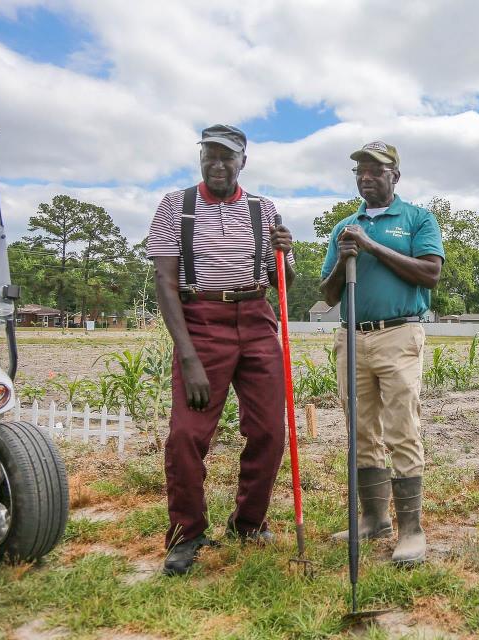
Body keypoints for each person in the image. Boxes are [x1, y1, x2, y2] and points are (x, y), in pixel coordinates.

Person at [147, 124, 295, 576]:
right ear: (201, 159)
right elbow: (165, 284)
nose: (217, 164)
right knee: (186, 436)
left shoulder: (263, 207)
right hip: (201, 323)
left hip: (255, 319)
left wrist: (284, 254)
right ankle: (187, 532)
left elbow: (280, 276)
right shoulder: (176, 206)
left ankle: (249, 522)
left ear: (242, 161)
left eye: (226, 157)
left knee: (271, 430)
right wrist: (188, 355)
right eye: (209, 155)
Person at [320, 141, 444, 566]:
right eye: (360, 171)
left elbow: (429, 273)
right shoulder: (344, 227)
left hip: (399, 335)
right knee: (361, 430)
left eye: (375, 170)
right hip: (352, 336)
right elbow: (328, 293)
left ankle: (411, 529)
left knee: (401, 427)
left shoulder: (417, 219)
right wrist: (344, 256)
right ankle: (374, 519)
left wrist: (373, 248)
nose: (366, 177)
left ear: (395, 176)